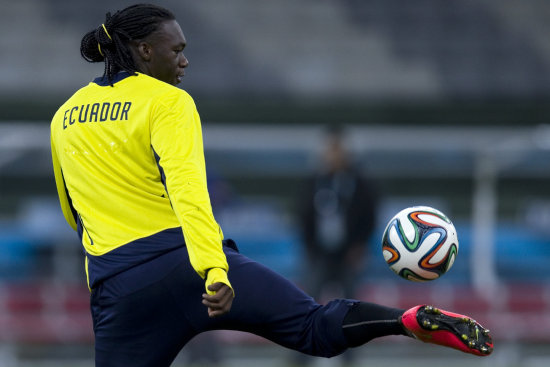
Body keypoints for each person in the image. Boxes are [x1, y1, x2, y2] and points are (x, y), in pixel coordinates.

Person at [50, 4, 493, 367]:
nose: (184, 60)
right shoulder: (168, 102)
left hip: (120, 287)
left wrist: (109, 269)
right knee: (313, 328)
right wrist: (215, 270)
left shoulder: (64, 117)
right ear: (145, 51)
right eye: (177, 50)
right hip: (190, 265)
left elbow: (73, 211)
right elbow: (190, 193)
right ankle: (408, 320)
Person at [300, 124, 378, 302]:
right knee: (310, 298)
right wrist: (309, 245)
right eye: (330, 149)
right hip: (319, 252)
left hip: (349, 252)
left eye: (338, 149)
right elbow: (303, 215)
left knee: (352, 301)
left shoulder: (360, 183)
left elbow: (369, 215)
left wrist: (360, 244)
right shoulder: (314, 181)